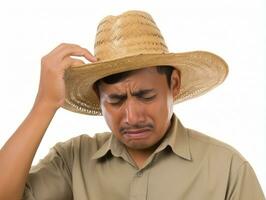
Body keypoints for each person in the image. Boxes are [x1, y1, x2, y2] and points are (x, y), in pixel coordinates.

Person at [0, 10, 264, 200]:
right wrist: (44, 104)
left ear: (174, 85)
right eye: (115, 100)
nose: (132, 116)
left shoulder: (227, 169)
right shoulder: (73, 161)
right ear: (98, 96)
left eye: (146, 96)